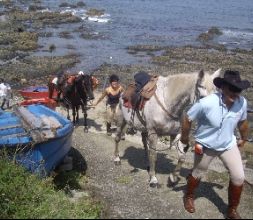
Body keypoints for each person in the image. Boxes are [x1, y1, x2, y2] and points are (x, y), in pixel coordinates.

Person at [178, 70, 251, 219]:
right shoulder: (206, 103)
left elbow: (243, 122)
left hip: (228, 144)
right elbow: (187, 118)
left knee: (238, 177)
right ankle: (189, 196)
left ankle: (232, 209)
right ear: (222, 87)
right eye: (232, 89)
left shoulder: (242, 103)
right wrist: (185, 138)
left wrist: (244, 138)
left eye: (238, 90)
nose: (235, 93)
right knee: (197, 173)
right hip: (205, 146)